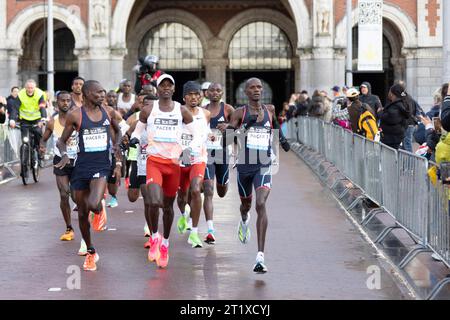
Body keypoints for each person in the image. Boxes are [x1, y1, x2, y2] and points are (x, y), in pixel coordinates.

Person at [220, 77, 290, 273]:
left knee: (261, 203)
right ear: (246, 92)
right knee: (246, 205)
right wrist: (243, 127)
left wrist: (282, 140)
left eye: (259, 86)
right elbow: (226, 141)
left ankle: (260, 257)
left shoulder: (269, 110)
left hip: (264, 163)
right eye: (252, 87)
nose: (257, 90)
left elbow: (274, 125)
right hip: (244, 166)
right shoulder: (238, 113)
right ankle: (243, 220)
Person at [129, 74, 200, 268]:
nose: (166, 88)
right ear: (158, 89)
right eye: (163, 85)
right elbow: (137, 130)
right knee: (153, 201)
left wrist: (189, 150)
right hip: (154, 162)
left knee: (168, 207)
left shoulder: (181, 110)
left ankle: (165, 243)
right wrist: (135, 138)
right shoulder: (149, 109)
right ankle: (154, 237)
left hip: (173, 164)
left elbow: (197, 135)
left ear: (174, 89)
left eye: (170, 85)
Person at [55, 80, 122, 271]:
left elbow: (118, 131)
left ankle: (100, 208)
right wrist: (65, 154)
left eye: (103, 92)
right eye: (97, 93)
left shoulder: (108, 112)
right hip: (80, 166)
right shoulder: (75, 115)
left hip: (101, 164)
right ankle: (91, 251)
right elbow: (61, 141)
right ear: (85, 94)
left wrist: (117, 148)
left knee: (93, 204)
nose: (102, 96)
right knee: (83, 213)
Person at [198, 83, 235, 245]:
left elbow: (238, 129)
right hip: (206, 154)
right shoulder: (202, 110)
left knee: (221, 191)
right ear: (207, 93)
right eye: (212, 90)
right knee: (208, 190)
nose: (215, 93)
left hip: (222, 154)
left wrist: (228, 127)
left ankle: (224, 182)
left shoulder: (228, 109)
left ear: (222, 92)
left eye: (218, 90)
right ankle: (210, 230)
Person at [176, 81, 211, 248]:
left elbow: (206, 131)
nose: (194, 97)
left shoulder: (206, 114)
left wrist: (211, 136)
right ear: (184, 97)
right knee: (182, 195)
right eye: (190, 94)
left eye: (197, 94)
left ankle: (195, 233)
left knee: (196, 189)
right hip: (180, 159)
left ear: (201, 96)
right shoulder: (177, 112)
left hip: (198, 157)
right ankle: (184, 214)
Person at [40, 91, 78, 241]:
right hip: (60, 160)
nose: (66, 103)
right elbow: (44, 139)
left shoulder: (77, 119)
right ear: (57, 103)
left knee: (76, 197)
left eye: (68, 100)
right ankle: (69, 228)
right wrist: (42, 147)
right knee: (64, 194)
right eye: (63, 101)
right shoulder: (52, 122)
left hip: (77, 159)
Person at [9, 79, 47, 158]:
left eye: (32, 88)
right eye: (28, 88)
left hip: (36, 119)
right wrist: (12, 120)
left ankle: (39, 151)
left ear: (35, 88)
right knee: (24, 140)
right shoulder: (20, 94)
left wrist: (43, 118)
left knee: (38, 133)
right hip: (25, 120)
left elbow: (42, 107)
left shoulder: (39, 94)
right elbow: (15, 108)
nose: (30, 90)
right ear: (25, 87)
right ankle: (24, 160)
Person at [378, 84, 411, 150]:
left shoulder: (397, 106)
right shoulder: (400, 104)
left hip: (392, 140)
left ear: (393, 94)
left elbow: (391, 118)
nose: (389, 93)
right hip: (394, 138)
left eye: (390, 91)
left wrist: (380, 113)